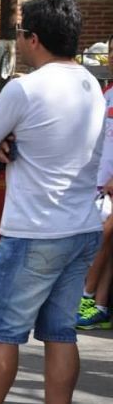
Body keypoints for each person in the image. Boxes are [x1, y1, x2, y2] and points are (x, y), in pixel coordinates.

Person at [0, 0, 106, 404]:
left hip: (33, 230)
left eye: (20, 33)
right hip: (82, 226)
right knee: (60, 334)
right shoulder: (92, 86)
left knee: (2, 336)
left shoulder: (23, 89)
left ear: (33, 38)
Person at [76, 33, 113, 331]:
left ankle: (86, 296)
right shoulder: (108, 92)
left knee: (102, 236)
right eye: (111, 51)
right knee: (106, 243)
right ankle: (100, 306)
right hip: (100, 185)